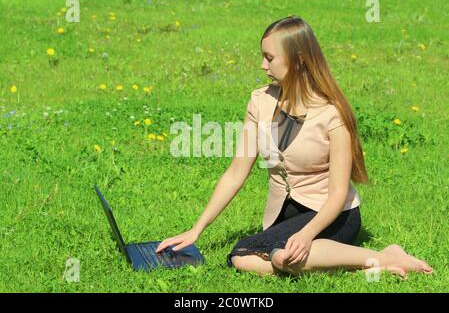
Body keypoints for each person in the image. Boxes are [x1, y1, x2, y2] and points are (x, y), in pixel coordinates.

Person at [156, 15, 433, 279]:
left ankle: (382, 257)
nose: (263, 66)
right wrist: (196, 229)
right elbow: (235, 173)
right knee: (246, 258)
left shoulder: (332, 114)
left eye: (270, 58)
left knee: (271, 256)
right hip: (285, 214)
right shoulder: (259, 102)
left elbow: (337, 194)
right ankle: (371, 263)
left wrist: (307, 233)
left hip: (333, 214)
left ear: (299, 60)